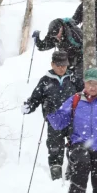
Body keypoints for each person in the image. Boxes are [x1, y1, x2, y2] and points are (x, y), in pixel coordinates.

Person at [21, 51, 84, 180]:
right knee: (55, 146)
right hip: (54, 119)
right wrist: (29, 106)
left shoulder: (73, 78)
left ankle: (72, 172)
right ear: (52, 64)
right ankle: (56, 172)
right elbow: (36, 98)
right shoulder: (45, 81)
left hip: (73, 118)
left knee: (76, 145)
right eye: (59, 65)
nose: (61, 68)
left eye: (64, 65)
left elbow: (85, 92)